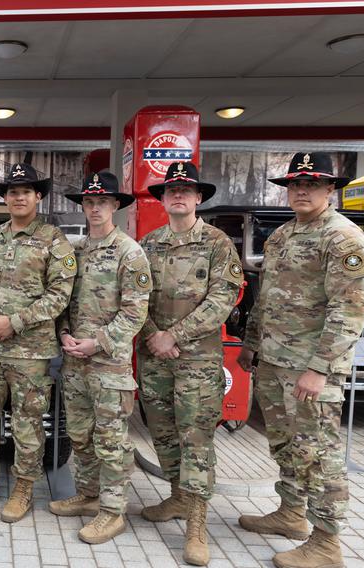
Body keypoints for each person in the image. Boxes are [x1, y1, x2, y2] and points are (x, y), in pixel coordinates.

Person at [237, 152, 364, 568]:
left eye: (312, 183)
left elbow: (348, 309)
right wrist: (250, 343)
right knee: (285, 445)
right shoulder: (282, 236)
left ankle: (327, 542)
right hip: (275, 361)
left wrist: (320, 369)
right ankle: (291, 513)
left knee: (319, 452)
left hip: (311, 368)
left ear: (331, 189)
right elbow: (267, 298)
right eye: (295, 183)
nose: (302, 190)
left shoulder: (343, 238)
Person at [137, 162, 243, 566]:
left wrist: (173, 336)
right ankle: (178, 498)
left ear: (198, 198)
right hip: (155, 357)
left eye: (187, 189)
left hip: (196, 360)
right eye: (171, 189)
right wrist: (153, 335)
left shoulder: (218, 244)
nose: (178, 194)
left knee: (195, 439)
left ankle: (197, 524)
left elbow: (223, 299)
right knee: (162, 433)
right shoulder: (148, 245)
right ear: (163, 199)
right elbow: (135, 298)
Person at [0, 162, 76, 523]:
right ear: (5, 198)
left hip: (32, 352)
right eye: (12, 191)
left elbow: (61, 294)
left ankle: (23, 489)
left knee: (27, 423)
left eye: (26, 191)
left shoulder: (54, 240)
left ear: (38, 196)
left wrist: (16, 322)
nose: (18, 197)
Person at [49, 171, 151, 544]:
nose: (94, 208)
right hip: (76, 361)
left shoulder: (130, 252)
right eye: (89, 202)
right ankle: (90, 495)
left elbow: (136, 312)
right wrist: (63, 333)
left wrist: (98, 342)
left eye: (102, 202)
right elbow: (62, 302)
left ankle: (112, 511)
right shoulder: (75, 250)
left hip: (108, 364)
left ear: (115, 206)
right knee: (80, 434)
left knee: (111, 439)